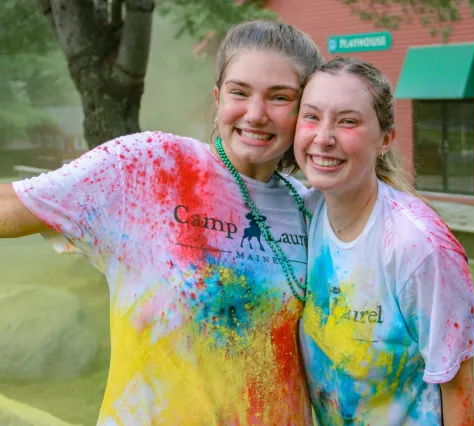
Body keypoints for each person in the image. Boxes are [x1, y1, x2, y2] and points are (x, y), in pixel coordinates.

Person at [0, 21, 324, 425]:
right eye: (239, 92)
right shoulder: (148, 166)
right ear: (218, 97)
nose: (256, 114)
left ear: (304, 111)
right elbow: (9, 205)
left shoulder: (314, 210)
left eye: (280, 97)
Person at [294, 57, 474, 426]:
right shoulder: (302, 215)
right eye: (312, 116)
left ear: (385, 139)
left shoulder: (419, 247)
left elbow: (459, 388)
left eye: (348, 121)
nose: (323, 137)